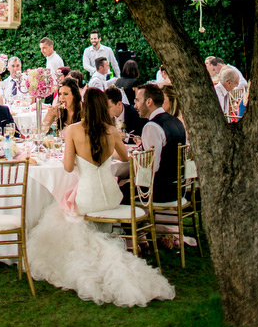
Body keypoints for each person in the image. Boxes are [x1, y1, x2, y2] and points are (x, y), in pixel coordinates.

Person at [26, 88, 174, 306]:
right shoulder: (111, 131)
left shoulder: (74, 131)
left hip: (88, 198)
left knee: (59, 213)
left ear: (85, 106)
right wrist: (105, 152)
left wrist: (79, 156)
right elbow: (124, 156)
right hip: (111, 197)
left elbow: (67, 168)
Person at [133, 83, 186, 202]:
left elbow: (151, 168)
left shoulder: (151, 126)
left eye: (137, 101)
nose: (135, 106)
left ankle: (140, 220)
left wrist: (135, 159)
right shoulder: (176, 121)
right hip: (179, 188)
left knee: (119, 190)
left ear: (149, 102)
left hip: (161, 191)